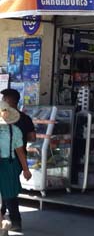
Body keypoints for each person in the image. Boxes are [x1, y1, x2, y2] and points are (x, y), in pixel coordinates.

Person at [0, 89, 35, 226]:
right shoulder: (21, 124)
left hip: (10, 162)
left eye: (5, 98)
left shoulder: (16, 129)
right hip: (13, 161)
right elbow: (32, 138)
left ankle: (11, 219)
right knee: (9, 190)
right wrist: (26, 169)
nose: (3, 100)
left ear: (12, 101)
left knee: (7, 191)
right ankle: (11, 220)